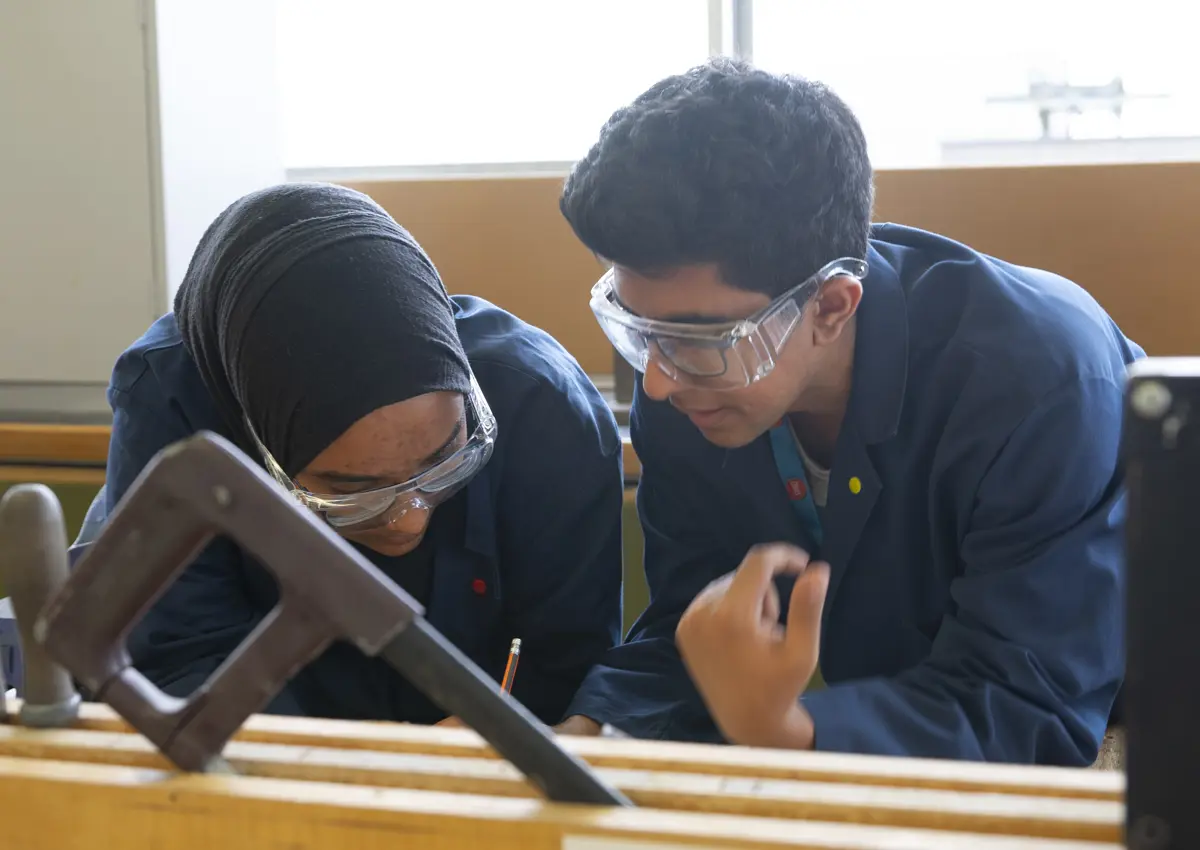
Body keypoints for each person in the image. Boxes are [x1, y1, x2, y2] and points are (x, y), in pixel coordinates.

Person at [553, 58, 1142, 766]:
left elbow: (1026, 710)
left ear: (831, 306)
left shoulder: (1041, 383)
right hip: (945, 715)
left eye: (693, 340)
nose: (655, 383)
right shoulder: (693, 389)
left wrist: (789, 731)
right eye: (637, 332)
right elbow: (698, 631)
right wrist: (580, 735)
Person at [91, 182, 624, 726]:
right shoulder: (172, 411)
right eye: (351, 491)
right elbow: (178, 664)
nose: (410, 522)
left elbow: (572, 657)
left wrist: (526, 730)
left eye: (444, 460)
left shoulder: (540, 400)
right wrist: (360, 764)